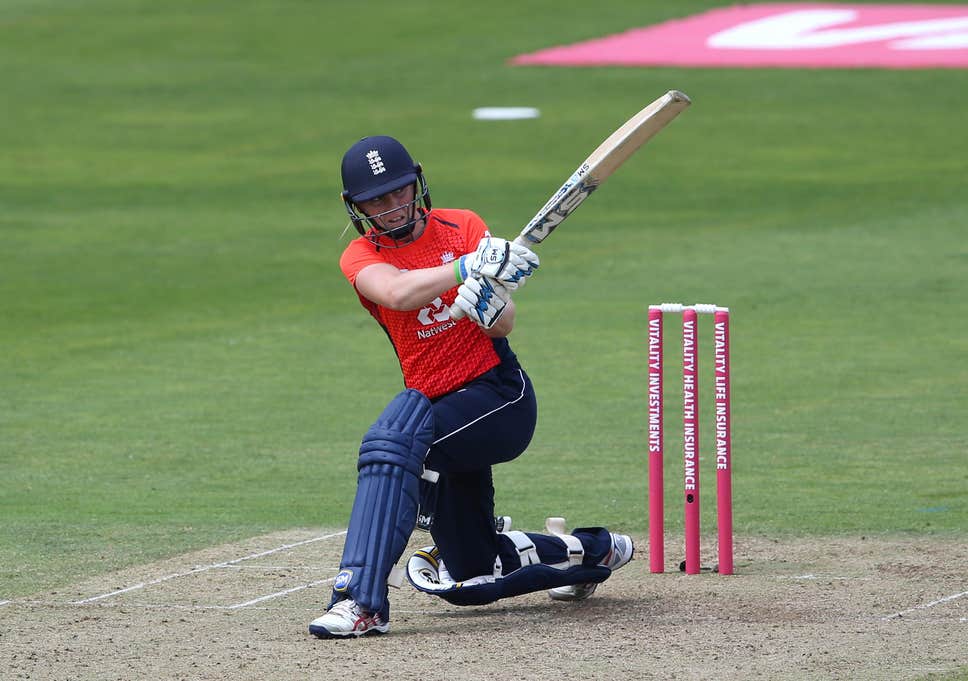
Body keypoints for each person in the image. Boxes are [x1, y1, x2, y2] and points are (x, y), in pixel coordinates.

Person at [309, 135, 634, 639]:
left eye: (399, 191)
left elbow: (504, 325)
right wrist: (465, 268)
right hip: (437, 413)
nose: (392, 206)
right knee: (471, 573)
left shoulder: (463, 227)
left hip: (498, 397)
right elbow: (396, 293)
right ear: (356, 207)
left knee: (392, 443)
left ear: (417, 185)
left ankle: (359, 601)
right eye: (376, 200)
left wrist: (489, 301)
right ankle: (591, 550)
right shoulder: (360, 255)